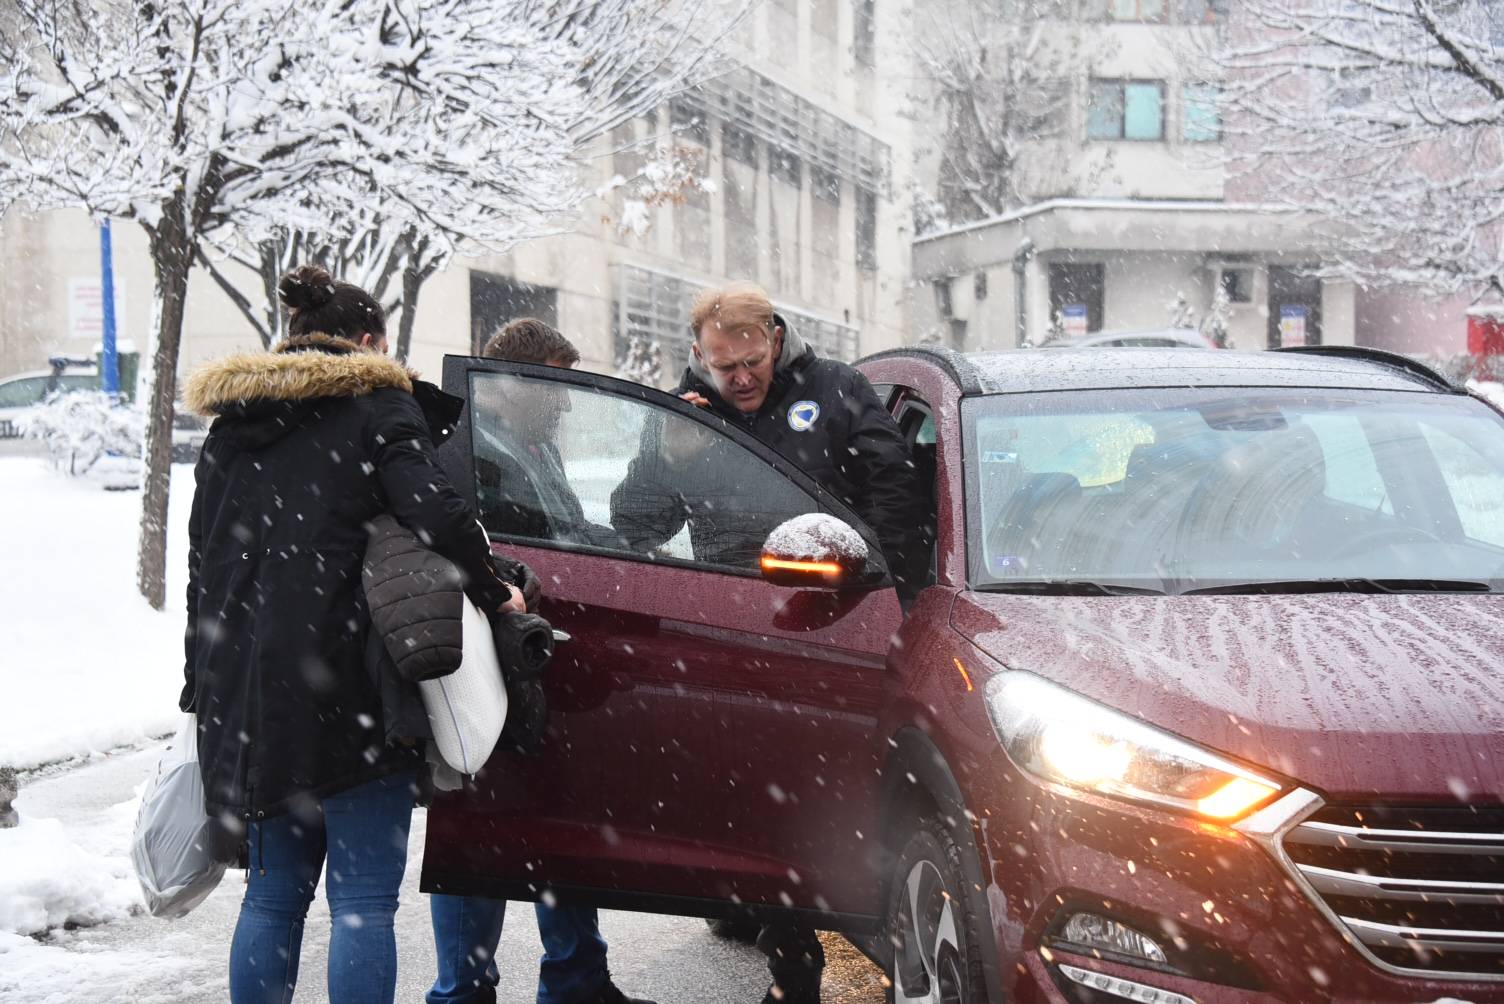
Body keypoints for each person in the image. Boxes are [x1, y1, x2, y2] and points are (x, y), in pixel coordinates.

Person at [180, 264, 523, 1004]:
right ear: (369, 343)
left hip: (251, 700)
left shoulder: (233, 424)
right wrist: (495, 589)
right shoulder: (375, 405)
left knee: (271, 901)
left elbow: (200, 565)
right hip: (353, 685)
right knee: (364, 904)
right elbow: (436, 512)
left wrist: (199, 686)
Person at [610, 282, 922, 1004]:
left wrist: (874, 583)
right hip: (734, 626)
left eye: (753, 361)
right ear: (700, 358)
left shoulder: (835, 390)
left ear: (777, 339)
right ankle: (791, 961)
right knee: (752, 803)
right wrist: (671, 453)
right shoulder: (684, 415)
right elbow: (635, 526)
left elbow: (895, 490)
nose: (743, 378)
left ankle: (822, 946)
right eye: (727, 369)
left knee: (823, 800)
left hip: (834, 621)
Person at [426, 317, 652, 1004]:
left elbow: (558, 532)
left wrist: (616, 549)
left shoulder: (529, 446)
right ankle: (462, 989)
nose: (565, 404)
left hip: (534, 661)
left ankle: (577, 975)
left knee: (558, 812)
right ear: (519, 382)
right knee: (477, 828)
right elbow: (479, 555)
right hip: (485, 665)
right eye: (556, 388)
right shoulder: (471, 455)